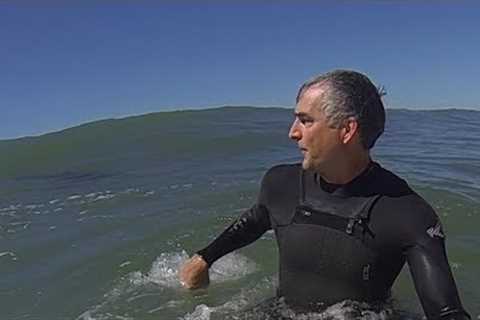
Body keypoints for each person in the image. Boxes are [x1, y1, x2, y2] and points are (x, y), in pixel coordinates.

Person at [178, 70, 470, 320]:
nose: (293, 133)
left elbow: (446, 313)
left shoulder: (407, 213)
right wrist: (204, 258)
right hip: (281, 311)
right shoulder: (281, 182)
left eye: (305, 120)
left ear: (346, 129)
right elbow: (258, 218)